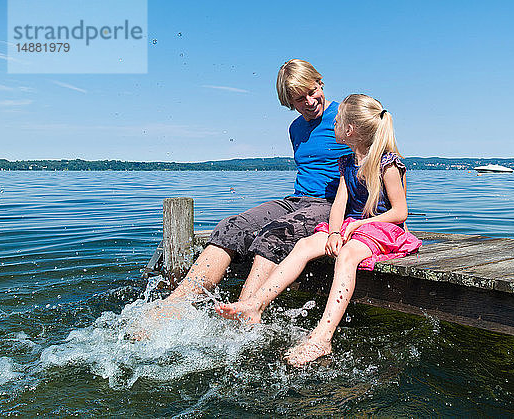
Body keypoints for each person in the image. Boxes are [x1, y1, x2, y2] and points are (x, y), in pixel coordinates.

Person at [215, 94, 422, 366]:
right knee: (303, 246)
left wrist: (359, 225)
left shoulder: (387, 164)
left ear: (349, 130)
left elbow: (399, 212)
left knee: (347, 256)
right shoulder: (347, 163)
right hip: (353, 228)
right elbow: (338, 206)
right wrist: (334, 232)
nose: (332, 125)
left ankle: (323, 336)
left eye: (336, 122)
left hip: (383, 229)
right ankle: (256, 303)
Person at [153, 59, 352, 315]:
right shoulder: (296, 128)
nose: (309, 102)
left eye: (312, 92)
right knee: (230, 226)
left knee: (275, 233)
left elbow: (378, 158)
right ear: (289, 103)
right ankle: (172, 306)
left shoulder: (345, 116)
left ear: (320, 83)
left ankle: (243, 313)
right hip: (297, 200)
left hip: (332, 204)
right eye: (299, 99)